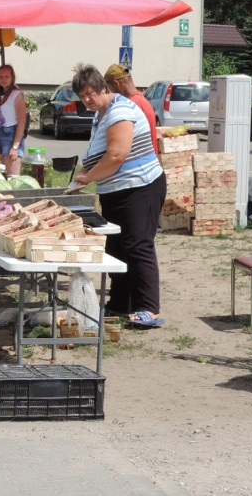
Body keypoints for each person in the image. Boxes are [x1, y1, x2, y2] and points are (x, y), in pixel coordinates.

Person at [70, 63, 167, 327]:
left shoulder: (120, 109)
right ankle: (120, 304)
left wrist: (88, 179)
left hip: (140, 188)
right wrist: (78, 179)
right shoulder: (100, 114)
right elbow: (97, 156)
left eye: (90, 93)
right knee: (117, 247)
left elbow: (116, 154)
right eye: (82, 96)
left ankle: (149, 308)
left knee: (138, 246)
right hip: (115, 191)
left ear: (103, 87)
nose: (87, 99)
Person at [103, 63, 158, 155]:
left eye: (110, 88)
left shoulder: (130, 105)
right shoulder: (142, 100)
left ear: (117, 84)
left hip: (139, 163)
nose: (111, 93)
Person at [0, 64, 26, 176]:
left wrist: (15, 147)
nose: (3, 79)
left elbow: (22, 121)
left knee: (12, 177)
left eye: (6, 76)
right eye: (1, 77)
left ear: (12, 78)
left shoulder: (17, 95)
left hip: (11, 136)